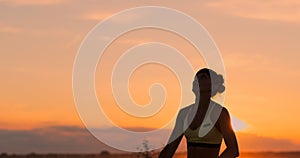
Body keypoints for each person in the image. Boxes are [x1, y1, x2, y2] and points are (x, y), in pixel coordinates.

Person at [159, 68, 239, 158]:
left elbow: (233, 150)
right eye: (196, 78)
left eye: (203, 77)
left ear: (212, 85)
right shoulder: (184, 113)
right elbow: (170, 148)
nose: (197, 80)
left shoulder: (219, 113)